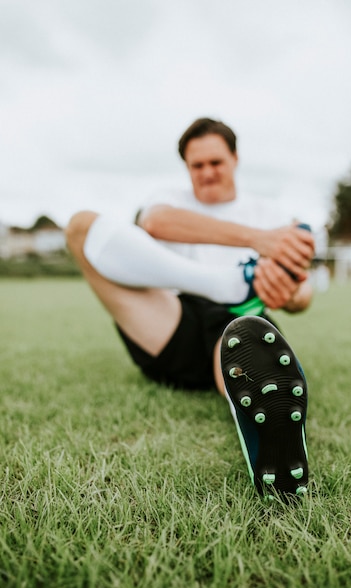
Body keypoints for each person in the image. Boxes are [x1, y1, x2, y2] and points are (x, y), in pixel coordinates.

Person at [66, 117, 315, 498]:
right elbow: (155, 222)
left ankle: (257, 420)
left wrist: (290, 294)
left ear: (235, 158)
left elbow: (304, 294)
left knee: (241, 335)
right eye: (197, 166)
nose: (207, 173)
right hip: (173, 322)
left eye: (215, 162)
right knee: (81, 227)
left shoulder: (272, 213)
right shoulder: (170, 200)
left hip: (241, 322)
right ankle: (226, 285)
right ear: (186, 168)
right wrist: (257, 241)